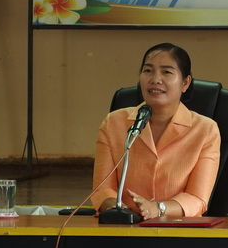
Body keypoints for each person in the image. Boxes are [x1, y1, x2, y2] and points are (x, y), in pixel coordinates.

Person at [91, 43, 221, 219]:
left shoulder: (205, 130)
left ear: (185, 83)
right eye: (148, 71)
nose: (155, 79)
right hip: (125, 226)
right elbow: (102, 190)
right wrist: (122, 212)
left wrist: (157, 208)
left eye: (166, 72)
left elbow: (197, 198)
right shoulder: (114, 123)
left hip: (179, 227)